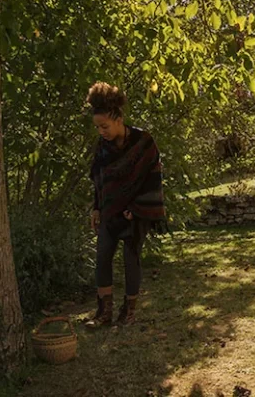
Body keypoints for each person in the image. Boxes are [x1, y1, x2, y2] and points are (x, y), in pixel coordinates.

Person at [85, 82, 166, 328]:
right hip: (110, 211)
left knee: (131, 259)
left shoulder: (143, 142)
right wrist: (96, 207)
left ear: (118, 118)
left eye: (105, 126)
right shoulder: (103, 148)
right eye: (98, 127)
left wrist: (137, 209)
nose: (101, 131)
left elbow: (153, 179)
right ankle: (104, 313)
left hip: (136, 212)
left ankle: (128, 312)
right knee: (102, 256)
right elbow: (100, 180)